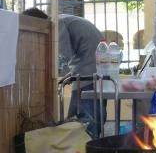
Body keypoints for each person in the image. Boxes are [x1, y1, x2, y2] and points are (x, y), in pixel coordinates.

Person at [23, 8, 106, 137]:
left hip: (89, 69)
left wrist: (44, 70)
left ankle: (84, 147)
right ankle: (87, 145)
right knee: (86, 113)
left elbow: (61, 55)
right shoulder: (61, 20)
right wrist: (70, 73)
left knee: (83, 119)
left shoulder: (57, 25)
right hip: (92, 66)